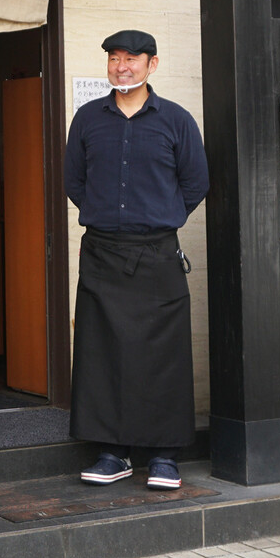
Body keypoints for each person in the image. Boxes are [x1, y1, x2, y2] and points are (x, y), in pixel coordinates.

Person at [63, 30, 209, 490]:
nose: (121, 66)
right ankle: (112, 452)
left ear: (153, 64)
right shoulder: (88, 119)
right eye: (114, 59)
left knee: (162, 355)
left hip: (158, 253)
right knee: (102, 353)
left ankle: (164, 456)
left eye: (131, 59)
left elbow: (196, 182)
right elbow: (74, 181)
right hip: (103, 252)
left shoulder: (176, 120)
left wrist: (159, 218)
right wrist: (111, 220)